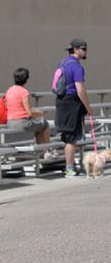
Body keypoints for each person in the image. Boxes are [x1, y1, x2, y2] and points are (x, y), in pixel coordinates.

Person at [53, 39, 92, 177]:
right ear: (76, 49)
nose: (86, 51)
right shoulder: (77, 67)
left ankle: (71, 166)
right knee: (71, 138)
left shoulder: (62, 63)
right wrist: (88, 107)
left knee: (68, 136)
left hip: (61, 101)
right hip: (72, 103)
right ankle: (69, 169)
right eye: (84, 49)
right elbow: (80, 90)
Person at [4, 68, 51, 146]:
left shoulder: (9, 90)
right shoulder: (24, 92)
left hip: (10, 122)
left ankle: (41, 149)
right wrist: (41, 113)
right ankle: (48, 149)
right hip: (22, 123)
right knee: (45, 125)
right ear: (26, 79)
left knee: (38, 127)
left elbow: (7, 105)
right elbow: (30, 112)